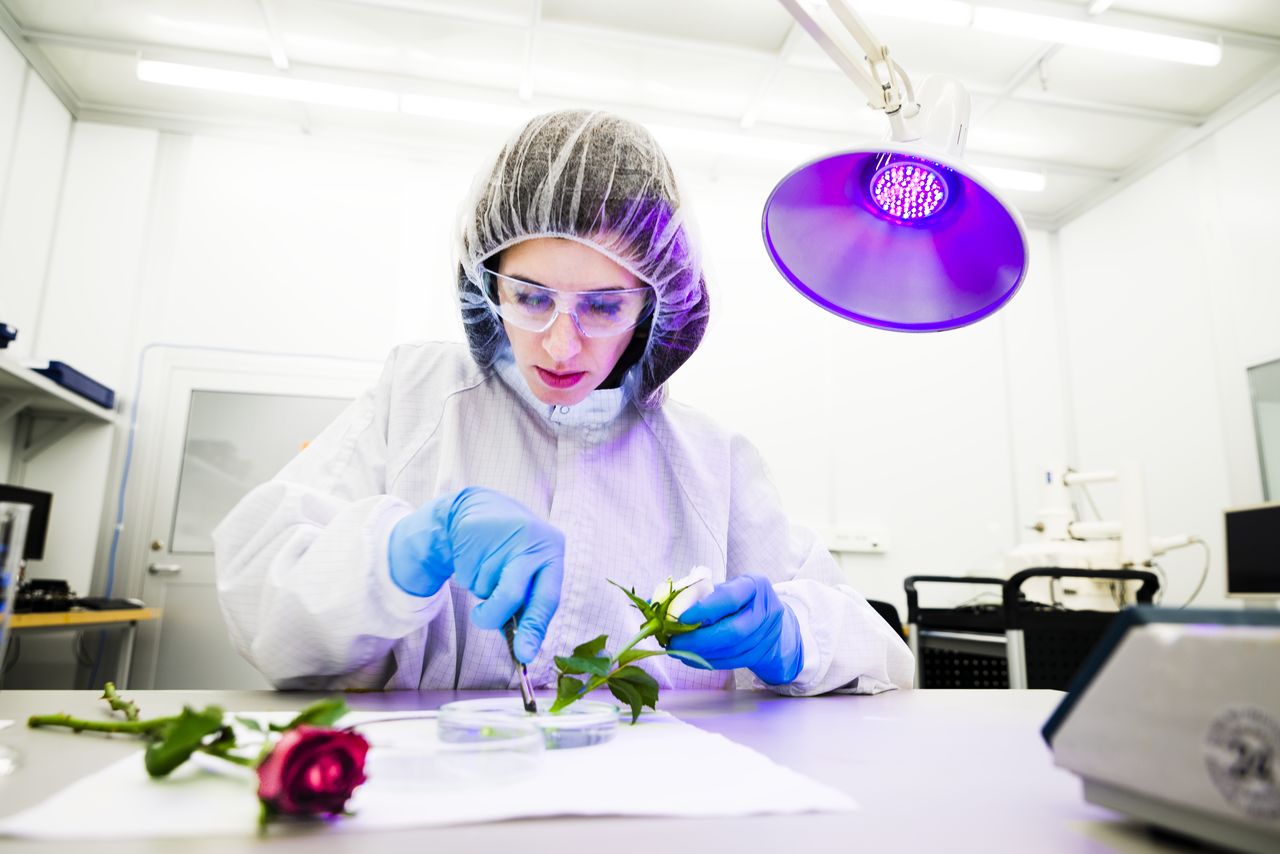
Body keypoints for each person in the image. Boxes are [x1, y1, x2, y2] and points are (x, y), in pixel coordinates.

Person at [213, 109, 914, 695]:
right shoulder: (420, 397)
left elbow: (883, 656)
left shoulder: (710, 462)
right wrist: (403, 550)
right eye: (531, 297)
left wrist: (788, 635)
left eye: (604, 306)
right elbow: (259, 606)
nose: (559, 346)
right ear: (487, 279)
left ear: (654, 305)